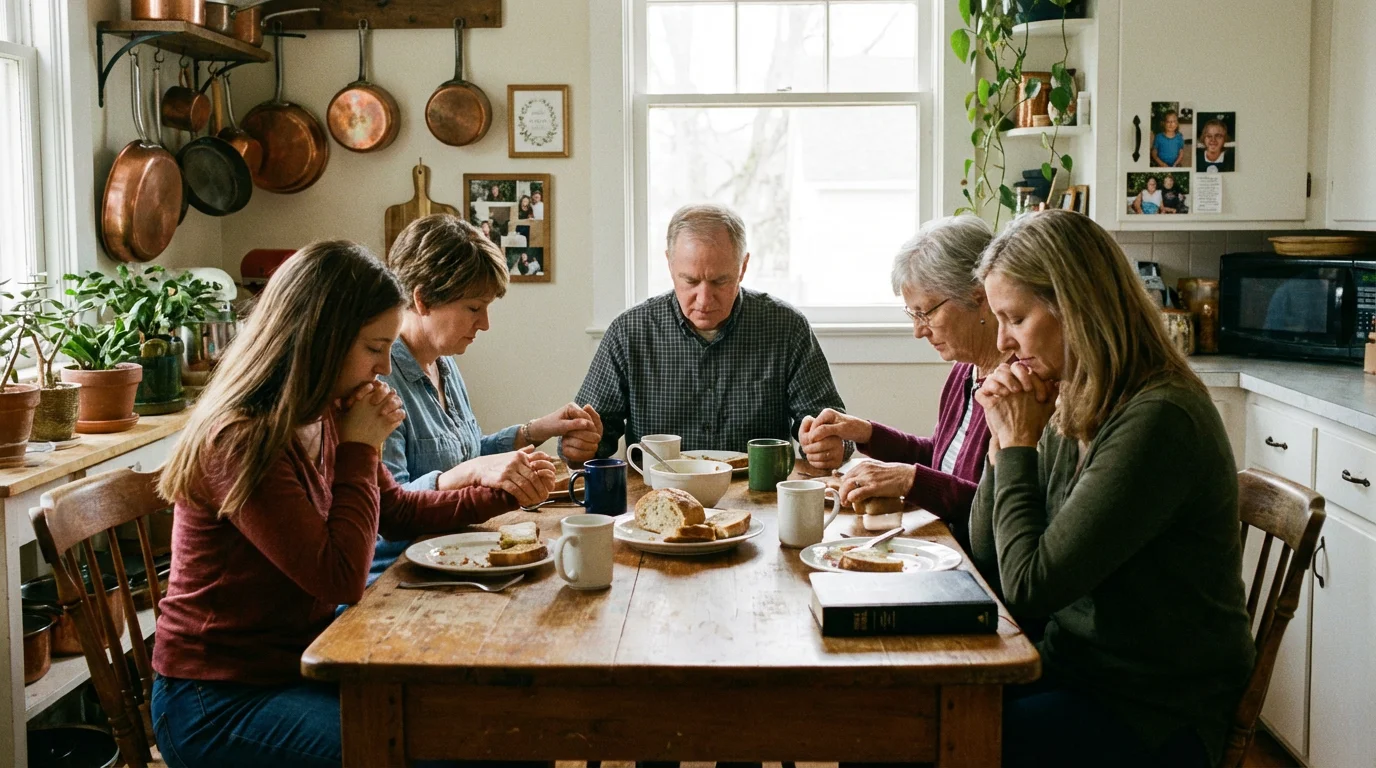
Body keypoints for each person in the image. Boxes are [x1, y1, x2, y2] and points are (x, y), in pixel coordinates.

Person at [151, 241, 543, 768]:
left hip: (305, 664)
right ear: (320, 340)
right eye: (373, 347)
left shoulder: (324, 411)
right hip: (217, 700)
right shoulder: (242, 439)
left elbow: (397, 510)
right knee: (458, 751)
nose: (385, 366)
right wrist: (362, 447)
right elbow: (338, 577)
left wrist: (502, 494)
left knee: (505, 731)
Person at [968, 210, 1255, 767]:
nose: (1002, 343)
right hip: (1076, 671)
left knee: (915, 736)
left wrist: (1020, 444)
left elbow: (1030, 588)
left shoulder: (1160, 418)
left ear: (1075, 308)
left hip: (1154, 710)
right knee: (901, 713)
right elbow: (988, 556)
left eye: (1016, 318)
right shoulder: (1071, 392)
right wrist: (1001, 441)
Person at [373, 215, 600, 579]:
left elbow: (468, 454)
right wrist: (472, 471)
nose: (485, 324)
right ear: (423, 299)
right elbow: (387, 510)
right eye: (474, 308)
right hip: (398, 577)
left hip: (457, 555)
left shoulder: (443, 364)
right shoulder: (381, 381)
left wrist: (537, 430)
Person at [567, 202, 849, 461]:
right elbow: (589, 433)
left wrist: (828, 444)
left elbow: (832, 427)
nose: (704, 299)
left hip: (759, 496)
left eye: (720, 281)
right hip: (656, 497)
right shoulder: (629, 333)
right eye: (690, 281)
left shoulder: (786, 327)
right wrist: (579, 443)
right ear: (669, 264)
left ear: (743, 267)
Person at [798, 215, 1003, 550]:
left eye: (926, 313)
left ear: (978, 296)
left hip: (974, 564)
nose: (918, 330)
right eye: (913, 315)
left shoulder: (1019, 388)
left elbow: (995, 509)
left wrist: (910, 480)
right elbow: (939, 456)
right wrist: (865, 432)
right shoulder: (967, 370)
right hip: (944, 543)